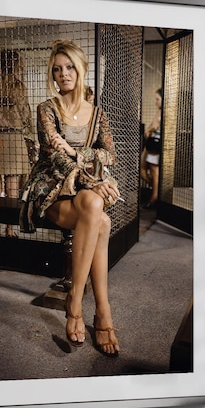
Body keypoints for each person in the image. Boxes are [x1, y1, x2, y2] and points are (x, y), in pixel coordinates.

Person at [19, 39, 121, 355]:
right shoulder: (46, 109)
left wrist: (75, 151)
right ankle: (96, 310)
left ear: (81, 69)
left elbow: (111, 155)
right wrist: (90, 169)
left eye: (70, 67)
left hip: (85, 195)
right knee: (96, 210)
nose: (64, 73)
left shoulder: (98, 114)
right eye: (58, 69)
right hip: (51, 194)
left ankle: (79, 304)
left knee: (95, 210)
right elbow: (55, 158)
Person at [0, 49, 36, 237]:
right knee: (12, 187)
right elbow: (25, 114)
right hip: (13, 138)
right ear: (16, 65)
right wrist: (31, 136)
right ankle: (9, 229)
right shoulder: (18, 87)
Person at [140, 87, 163, 209]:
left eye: (157, 99)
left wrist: (148, 130)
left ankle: (154, 198)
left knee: (154, 172)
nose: (156, 102)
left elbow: (154, 126)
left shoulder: (164, 111)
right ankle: (157, 191)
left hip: (155, 145)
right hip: (150, 144)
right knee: (142, 171)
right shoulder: (159, 110)